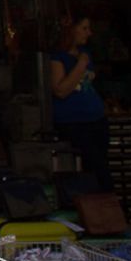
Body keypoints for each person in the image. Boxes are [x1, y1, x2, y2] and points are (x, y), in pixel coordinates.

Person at [49, 12, 112, 191]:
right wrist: (80, 65)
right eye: (84, 28)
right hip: (76, 123)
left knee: (100, 166)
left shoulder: (85, 53)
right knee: (96, 171)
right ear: (71, 30)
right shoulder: (58, 57)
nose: (88, 33)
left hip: (96, 120)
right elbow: (60, 90)